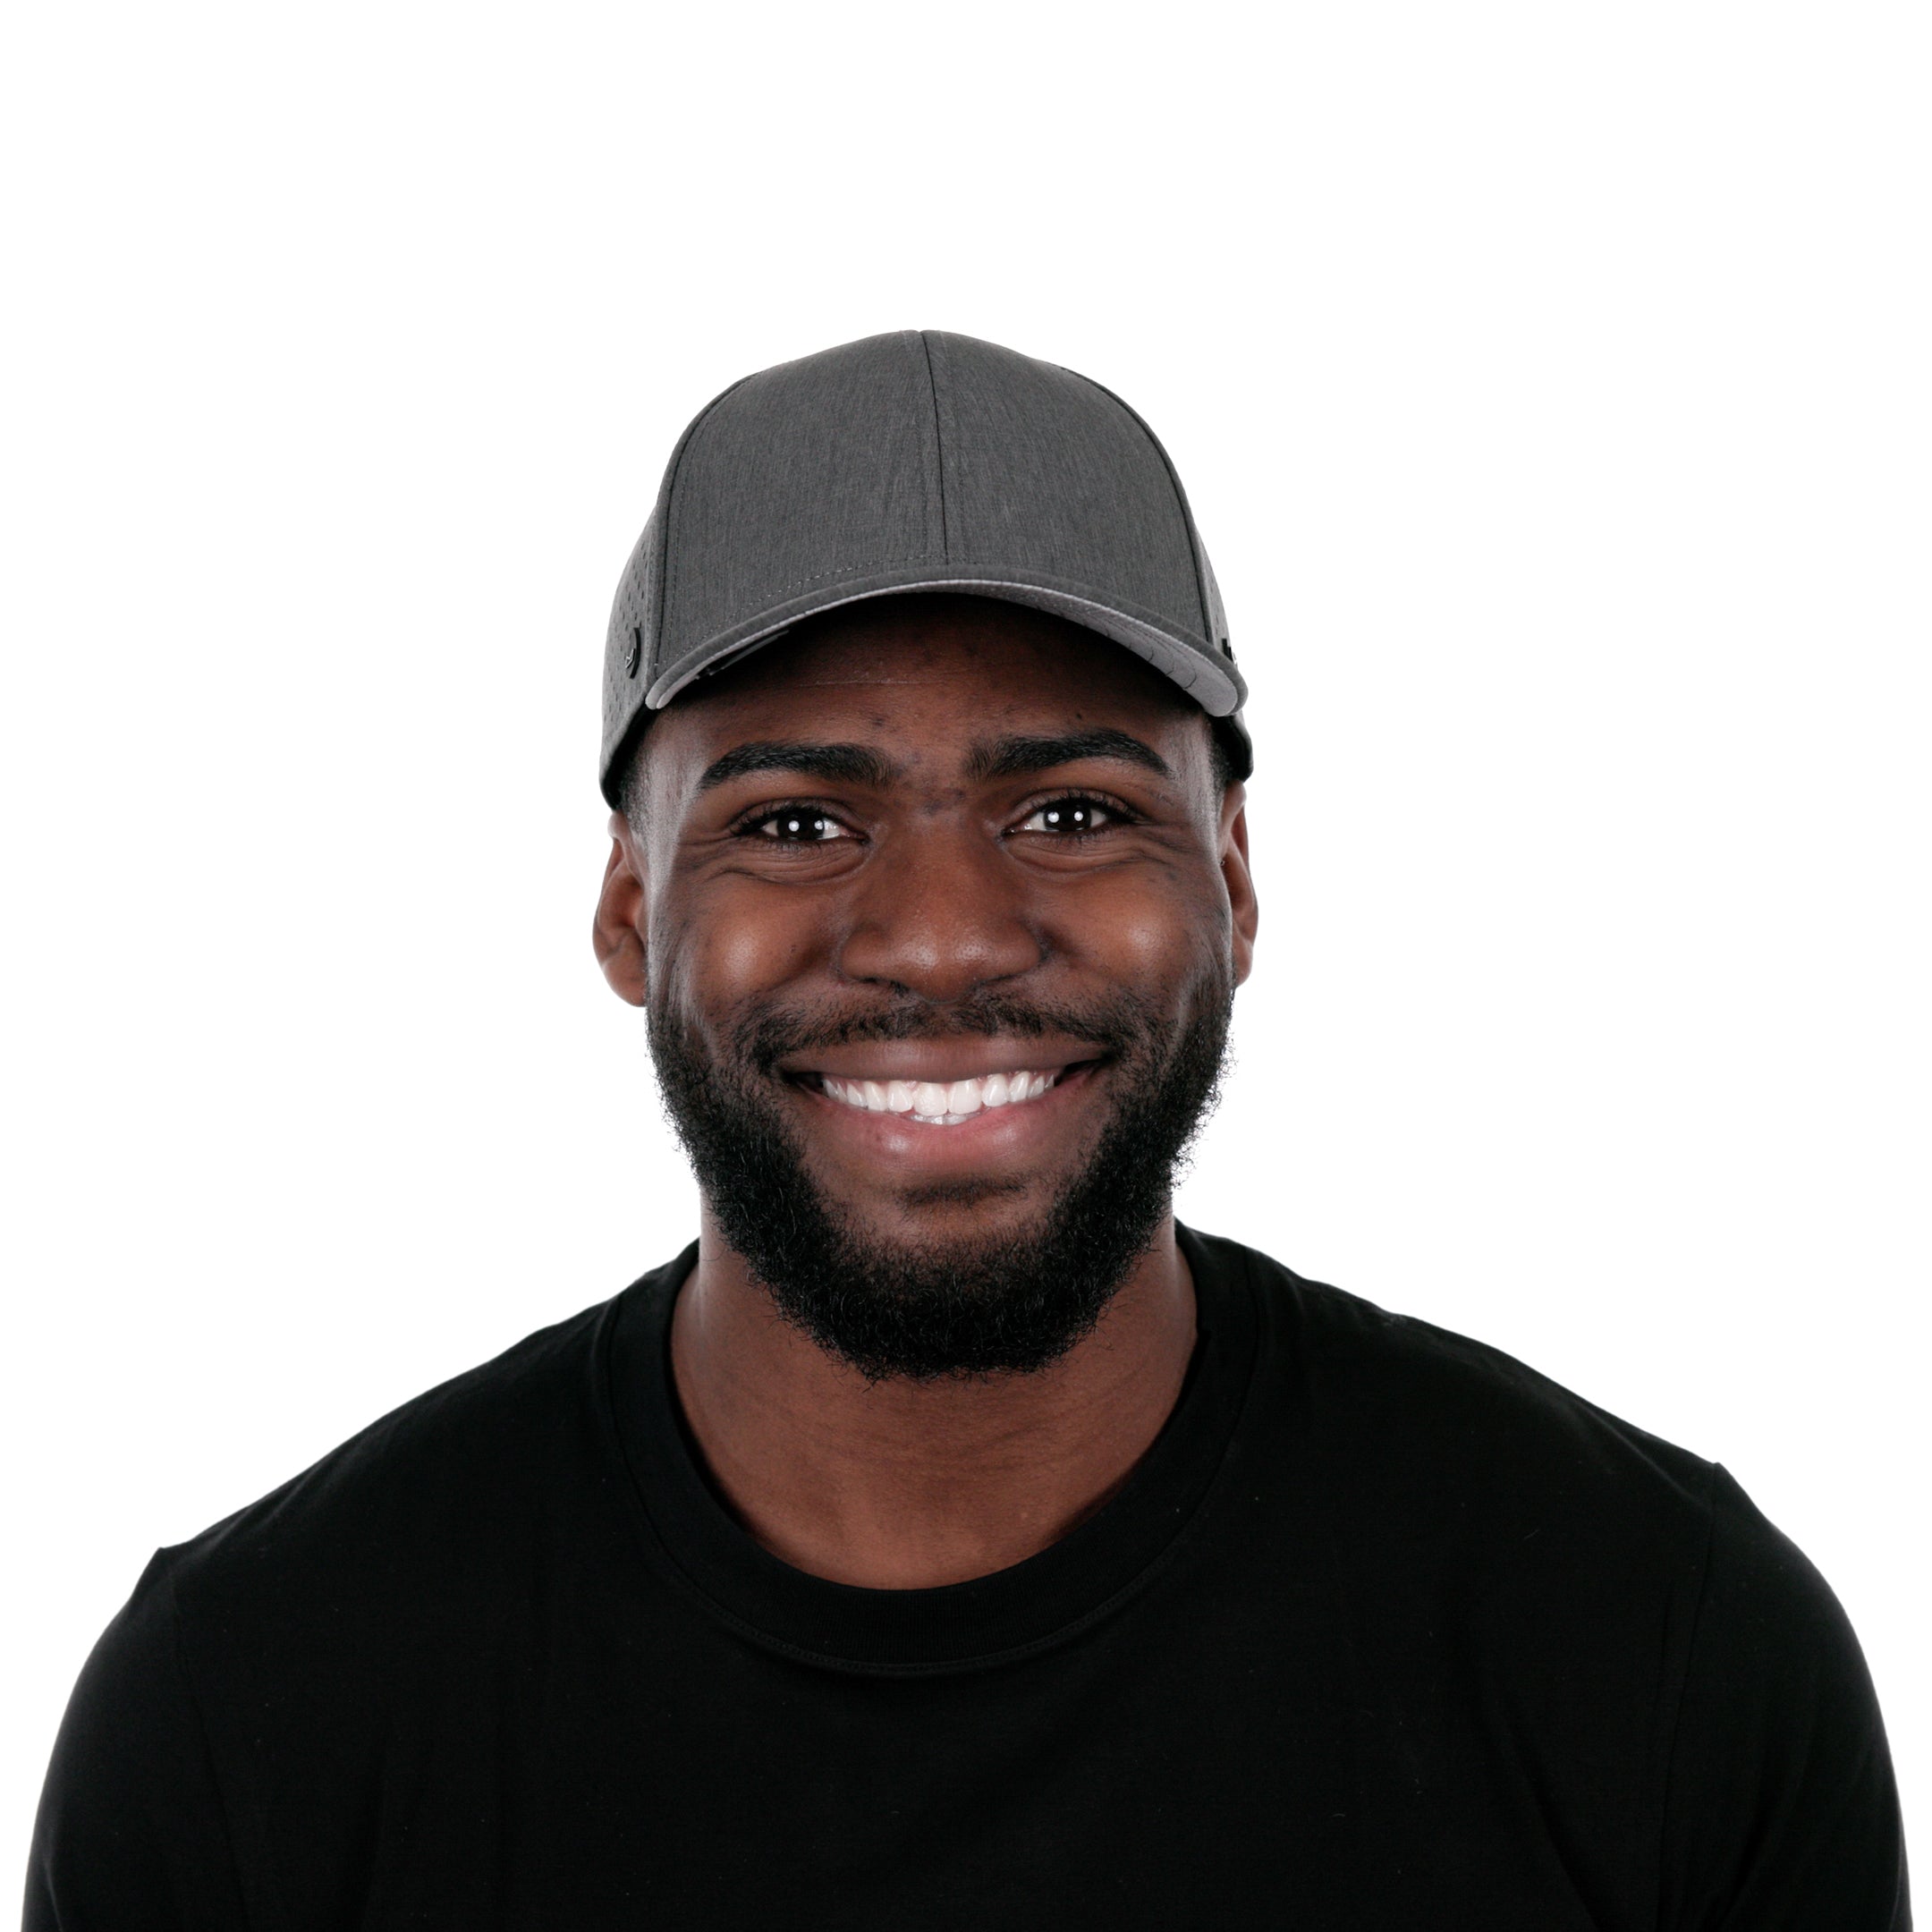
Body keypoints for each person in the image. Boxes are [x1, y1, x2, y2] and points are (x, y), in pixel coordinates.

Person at [27, 331, 1908, 1928]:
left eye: (1072, 813)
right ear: (630, 909)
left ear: (1235, 882)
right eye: (796, 820)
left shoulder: (1659, 1651)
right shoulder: (252, 1717)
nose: (940, 939)